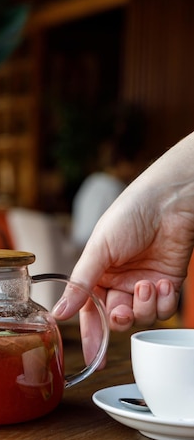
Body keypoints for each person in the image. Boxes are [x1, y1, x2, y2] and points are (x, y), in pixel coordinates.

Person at [53, 130, 194, 365]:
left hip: (100, 263)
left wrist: (168, 198)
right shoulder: (111, 186)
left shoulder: (93, 182)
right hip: (105, 264)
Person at [71, 104, 147, 249]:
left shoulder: (92, 181)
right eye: (139, 162)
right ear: (125, 161)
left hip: (78, 252)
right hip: (98, 254)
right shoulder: (118, 190)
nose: (141, 168)